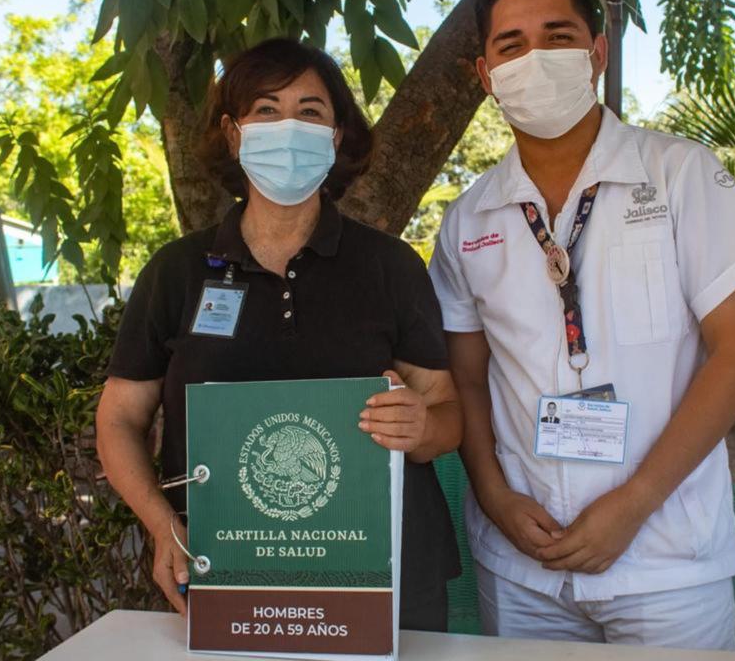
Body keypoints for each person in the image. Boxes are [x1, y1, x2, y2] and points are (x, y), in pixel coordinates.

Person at [428, 0, 735, 648]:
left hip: (666, 562)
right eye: (510, 45)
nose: (534, 58)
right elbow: (465, 380)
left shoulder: (681, 176)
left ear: (597, 52)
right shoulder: (469, 220)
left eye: (558, 36)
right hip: (522, 565)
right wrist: (496, 498)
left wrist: (634, 504)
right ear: (485, 74)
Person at [96, 38, 462, 631]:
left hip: (391, 577)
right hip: (231, 570)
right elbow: (117, 419)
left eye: (310, 111)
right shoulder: (177, 271)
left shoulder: (390, 266)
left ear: (336, 136)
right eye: (266, 110)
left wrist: (420, 426)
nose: (288, 126)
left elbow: (447, 414)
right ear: (234, 133)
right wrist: (163, 527)